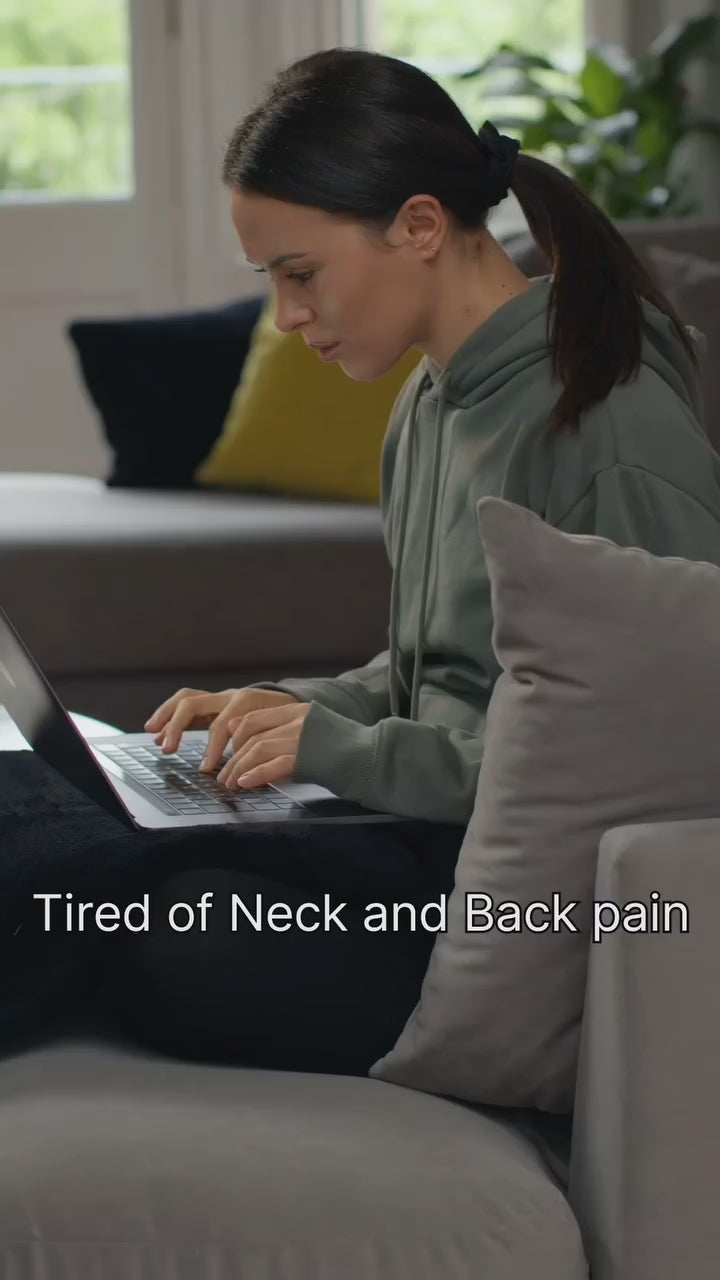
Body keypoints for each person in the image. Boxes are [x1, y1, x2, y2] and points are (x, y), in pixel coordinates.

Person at [4, 45, 720, 1074]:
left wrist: (340, 750)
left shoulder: (608, 425)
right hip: (416, 846)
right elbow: (442, 671)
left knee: (174, 921)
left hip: (502, 919)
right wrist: (290, 706)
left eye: (300, 274)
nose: (287, 318)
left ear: (421, 226)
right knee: (38, 805)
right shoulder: (432, 402)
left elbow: (649, 767)